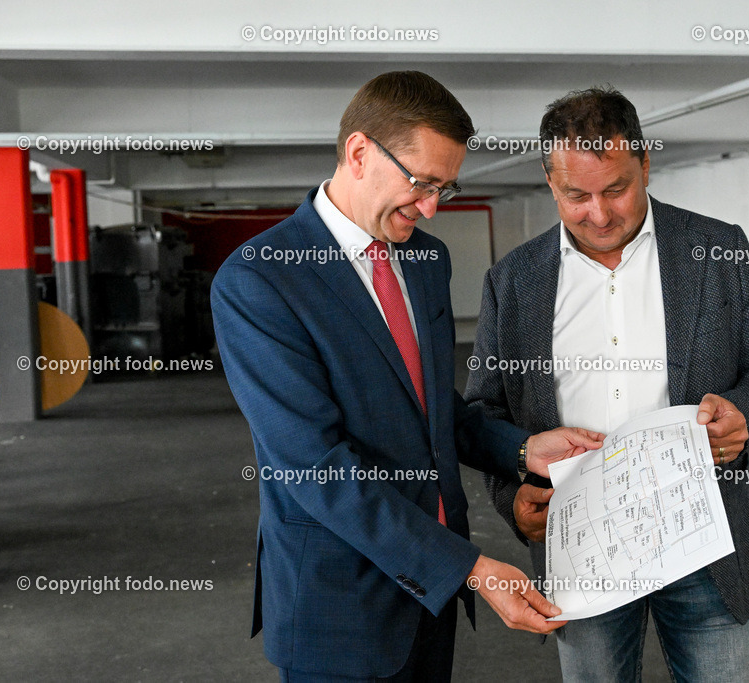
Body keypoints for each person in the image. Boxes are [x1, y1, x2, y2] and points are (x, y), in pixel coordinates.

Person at [211, 71, 603, 682]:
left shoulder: (425, 259)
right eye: (420, 183)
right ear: (359, 153)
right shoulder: (260, 280)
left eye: (444, 188)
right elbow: (315, 467)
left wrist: (523, 449)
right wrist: (471, 568)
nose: (430, 208)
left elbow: (429, 406)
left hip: (430, 595)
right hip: (338, 603)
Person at [467, 87, 749, 682]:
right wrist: (513, 502)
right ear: (550, 182)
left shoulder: (717, 250)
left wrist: (745, 414)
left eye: (616, 189)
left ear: (645, 164)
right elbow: (484, 411)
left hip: (703, 544)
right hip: (580, 546)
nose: (598, 214)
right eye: (577, 196)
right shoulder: (513, 282)